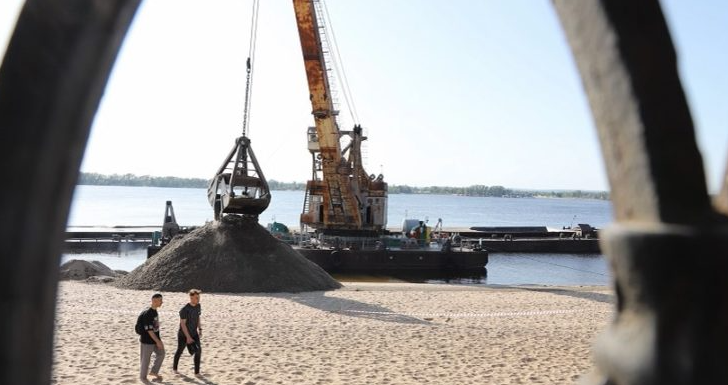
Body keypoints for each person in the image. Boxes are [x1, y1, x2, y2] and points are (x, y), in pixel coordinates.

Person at [173, 288, 203, 377]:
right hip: (183, 335)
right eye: (196, 298)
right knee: (179, 351)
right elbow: (183, 324)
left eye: (199, 297)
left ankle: (197, 372)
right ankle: (175, 368)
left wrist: (200, 329)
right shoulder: (184, 309)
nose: (198, 299)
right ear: (191, 298)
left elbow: (198, 318)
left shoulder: (198, 306)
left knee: (198, 351)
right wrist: (188, 337)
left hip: (194, 333)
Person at [140, 293, 165, 382]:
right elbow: (149, 330)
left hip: (154, 339)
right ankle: (143, 378)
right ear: (154, 301)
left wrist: (158, 340)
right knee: (145, 360)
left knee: (161, 353)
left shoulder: (154, 311)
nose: (162, 302)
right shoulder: (148, 313)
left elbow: (155, 328)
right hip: (147, 341)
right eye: (160, 300)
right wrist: (158, 341)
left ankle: (154, 371)